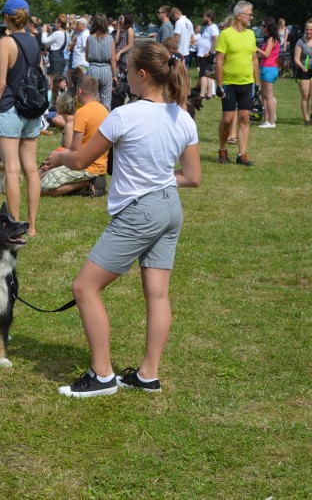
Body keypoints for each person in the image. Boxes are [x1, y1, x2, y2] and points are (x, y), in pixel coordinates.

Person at [45, 39, 201, 397]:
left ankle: (102, 376)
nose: (124, 76)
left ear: (142, 74)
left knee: (85, 286)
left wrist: (57, 158)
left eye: (127, 70)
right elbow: (192, 177)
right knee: (158, 295)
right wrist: (159, 178)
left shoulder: (125, 115)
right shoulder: (183, 116)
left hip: (140, 211)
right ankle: (148, 374)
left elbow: (82, 160)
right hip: (169, 208)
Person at [0, 0, 43, 237]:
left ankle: (15, 225)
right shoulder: (33, 41)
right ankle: (32, 226)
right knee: (31, 168)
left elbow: (0, 83)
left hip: (10, 108)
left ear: (7, 17)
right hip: (32, 108)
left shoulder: (5, 42)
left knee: (11, 169)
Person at [40, 76, 109, 197]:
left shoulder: (82, 113)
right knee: (39, 176)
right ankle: (88, 181)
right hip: (101, 165)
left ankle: (87, 182)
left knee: (41, 188)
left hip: (85, 167)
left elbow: (75, 149)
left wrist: (57, 156)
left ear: (80, 90)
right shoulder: (105, 110)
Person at [215, 1, 260, 166]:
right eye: (249, 14)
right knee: (227, 119)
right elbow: (219, 60)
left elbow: (254, 59)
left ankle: (242, 154)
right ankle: (222, 149)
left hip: (247, 82)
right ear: (239, 15)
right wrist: (219, 84)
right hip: (229, 82)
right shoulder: (225, 34)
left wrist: (258, 82)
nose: (251, 17)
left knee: (245, 118)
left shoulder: (251, 35)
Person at [85, 13, 117, 110]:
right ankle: (105, 119)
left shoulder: (89, 38)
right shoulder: (110, 39)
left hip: (93, 69)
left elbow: (86, 58)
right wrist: (114, 75)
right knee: (106, 99)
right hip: (106, 70)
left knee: (92, 98)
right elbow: (113, 59)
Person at [255, 16, 281, 129]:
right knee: (264, 96)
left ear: (268, 27)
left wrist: (255, 47)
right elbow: (266, 55)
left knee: (269, 97)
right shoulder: (271, 38)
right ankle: (266, 120)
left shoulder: (271, 39)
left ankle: (271, 121)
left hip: (269, 68)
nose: (262, 27)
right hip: (268, 68)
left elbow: (266, 54)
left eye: (263, 26)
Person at [196, 11, 220, 99]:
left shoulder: (213, 27)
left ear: (209, 17)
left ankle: (202, 94)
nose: (202, 18)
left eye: (204, 16)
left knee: (203, 74)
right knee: (209, 75)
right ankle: (209, 94)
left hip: (207, 55)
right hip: (205, 54)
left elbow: (217, 40)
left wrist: (210, 52)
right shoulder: (208, 27)